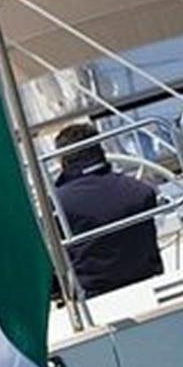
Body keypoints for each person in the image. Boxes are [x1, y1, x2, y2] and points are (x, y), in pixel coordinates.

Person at [53, 122, 164, 297]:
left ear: (62, 160)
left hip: (93, 298)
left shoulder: (57, 205)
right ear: (100, 149)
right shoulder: (141, 191)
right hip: (148, 282)